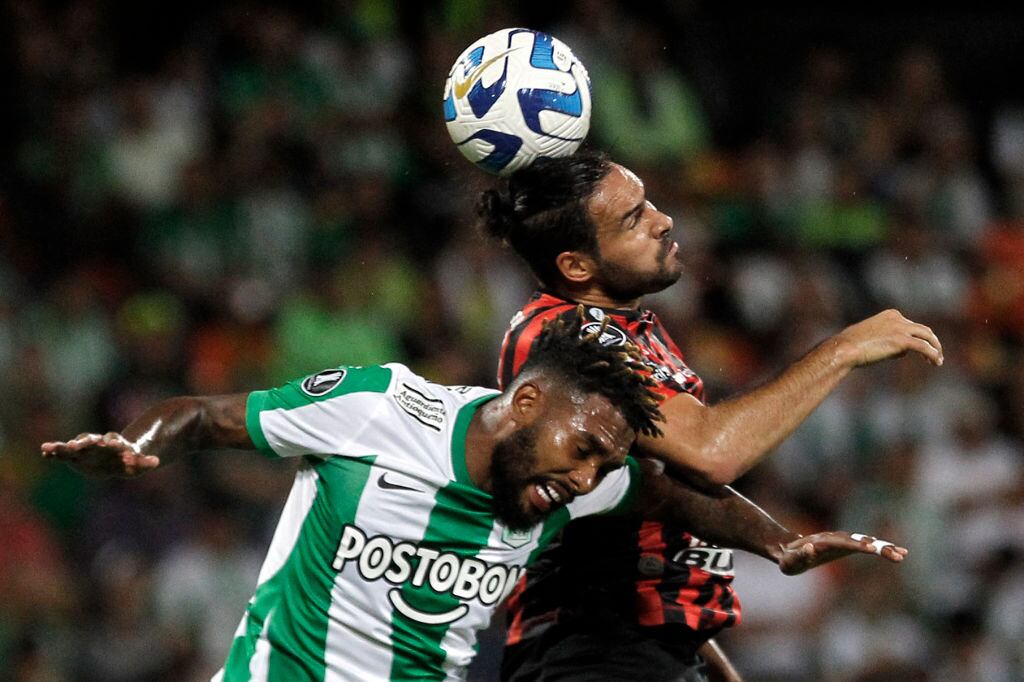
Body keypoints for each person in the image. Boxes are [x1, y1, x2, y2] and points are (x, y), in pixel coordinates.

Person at [41, 314, 905, 682]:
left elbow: (677, 495)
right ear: (525, 401)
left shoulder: (575, 486)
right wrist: (135, 449)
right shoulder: (380, 405)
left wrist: (780, 545)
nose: (584, 477)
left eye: (602, 465)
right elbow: (200, 415)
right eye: (583, 451)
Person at [478, 151, 943, 682]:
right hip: (592, 647)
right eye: (633, 218)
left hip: (644, 645)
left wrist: (765, 554)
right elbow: (712, 452)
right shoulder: (568, 336)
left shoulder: (627, 329)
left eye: (646, 201)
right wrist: (842, 349)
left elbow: (654, 490)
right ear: (576, 266)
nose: (663, 219)